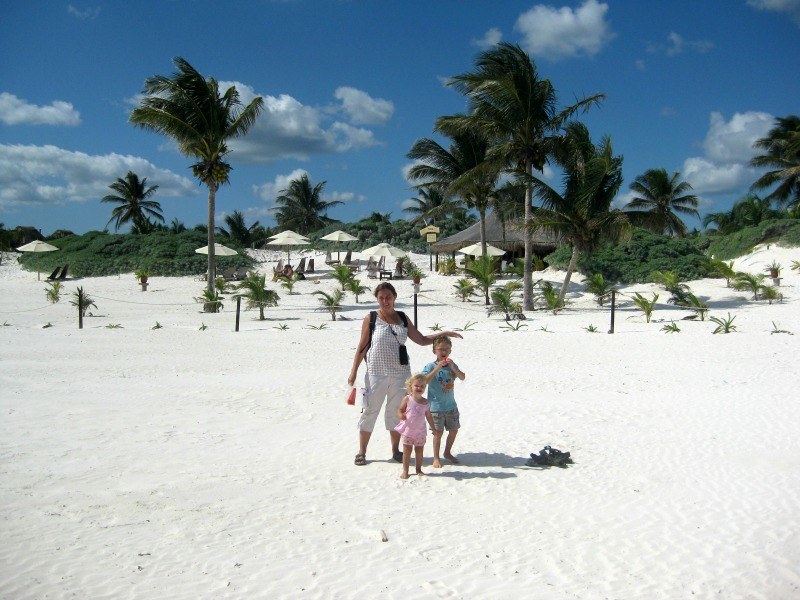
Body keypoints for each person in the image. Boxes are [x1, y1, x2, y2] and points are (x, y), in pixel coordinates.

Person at [348, 281, 462, 466]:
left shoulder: (402, 317)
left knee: (396, 412)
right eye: (381, 298)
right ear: (377, 299)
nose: (385, 301)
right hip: (376, 373)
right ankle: (362, 452)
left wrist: (443, 333)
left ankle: (395, 450)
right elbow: (362, 347)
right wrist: (354, 371)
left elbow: (422, 339)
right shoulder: (371, 318)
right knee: (370, 411)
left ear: (394, 298)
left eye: (388, 297)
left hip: (401, 374)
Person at [422, 335, 466, 468]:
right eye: (440, 349)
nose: (444, 352)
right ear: (434, 350)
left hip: (451, 406)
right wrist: (437, 368)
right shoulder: (430, 366)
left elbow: (462, 377)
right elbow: (424, 381)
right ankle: (436, 457)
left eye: (447, 349)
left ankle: (447, 452)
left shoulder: (452, 365)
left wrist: (453, 366)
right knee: (438, 433)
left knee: (454, 430)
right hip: (435, 407)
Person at [394, 374, 436, 479]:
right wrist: (401, 415)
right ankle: (405, 470)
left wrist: (433, 427)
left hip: (420, 431)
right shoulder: (407, 399)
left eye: (422, 386)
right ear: (410, 386)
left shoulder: (425, 402)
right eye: (416, 385)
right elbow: (400, 410)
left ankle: (418, 469)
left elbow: (428, 415)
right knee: (407, 451)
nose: (419, 388)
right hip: (408, 431)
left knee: (419, 451)